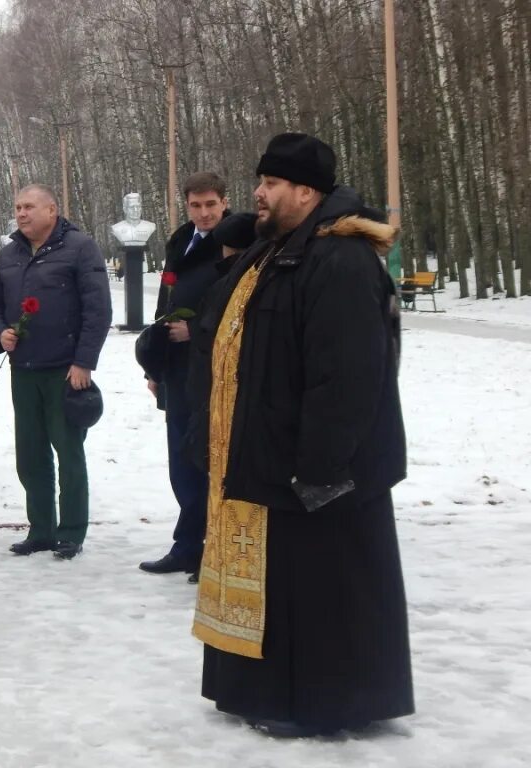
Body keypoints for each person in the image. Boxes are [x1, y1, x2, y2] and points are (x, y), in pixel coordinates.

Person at [189, 133, 413, 736]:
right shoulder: (277, 250)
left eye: (270, 185)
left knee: (318, 591)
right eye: (260, 183)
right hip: (269, 453)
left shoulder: (338, 260)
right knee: (283, 586)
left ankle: (315, 706)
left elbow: (348, 377)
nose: (257, 195)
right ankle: (267, 694)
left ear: (306, 192)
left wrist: (319, 468)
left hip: (319, 469)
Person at [0, 184, 112, 560]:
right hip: (23, 370)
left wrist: (84, 362)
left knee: (68, 453)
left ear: (52, 210)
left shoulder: (80, 248)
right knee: (30, 455)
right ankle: (40, 529)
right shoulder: (9, 254)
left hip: (65, 371)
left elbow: (98, 310)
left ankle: (71, 532)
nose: (21, 213)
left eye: (29, 207)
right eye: (18, 207)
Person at [138, 172, 229, 581]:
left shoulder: (236, 242)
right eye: (196, 205)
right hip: (175, 369)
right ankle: (188, 546)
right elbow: (165, 304)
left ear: (224, 202)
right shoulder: (180, 239)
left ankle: (214, 549)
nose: (204, 213)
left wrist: (198, 331)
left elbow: (238, 303)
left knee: (208, 459)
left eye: (211, 204)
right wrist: (154, 366)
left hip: (214, 369)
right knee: (182, 462)